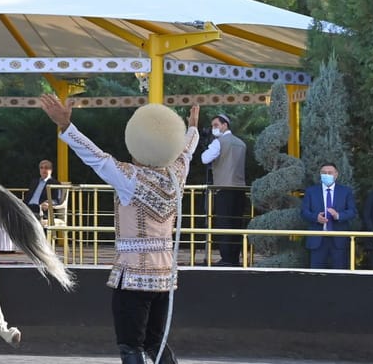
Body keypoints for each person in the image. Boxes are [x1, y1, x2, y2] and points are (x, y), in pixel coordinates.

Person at [40, 95, 198, 364]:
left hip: (132, 276)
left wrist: (66, 126)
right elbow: (187, 151)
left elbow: (97, 158)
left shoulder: (130, 178)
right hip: (164, 277)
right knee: (155, 344)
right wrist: (191, 129)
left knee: (131, 345)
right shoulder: (177, 174)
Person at [199, 112, 246, 266]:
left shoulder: (219, 142)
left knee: (224, 224)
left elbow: (205, 158)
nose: (214, 129)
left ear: (225, 125)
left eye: (216, 125)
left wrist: (208, 146)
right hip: (240, 189)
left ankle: (226, 259)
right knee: (236, 225)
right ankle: (234, 258)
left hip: (224, 188)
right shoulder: (241, 143)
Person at [299, 162, 357, 269]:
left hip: (339, 241)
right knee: (316, 274)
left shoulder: (345, 191)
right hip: (317, 240)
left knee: (339, 275)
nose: (327, 175)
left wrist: (338, 215)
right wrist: (315, 217)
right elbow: (304, 212)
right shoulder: (311, 191)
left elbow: (352, 211)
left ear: (336, 174)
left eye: (330, 173)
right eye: (324, 173)